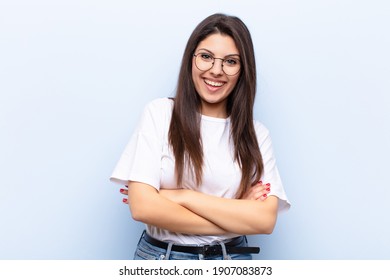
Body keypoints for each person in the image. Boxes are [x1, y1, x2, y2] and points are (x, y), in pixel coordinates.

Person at [110, 13, 290, 260]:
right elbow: (143, 207)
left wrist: (182, 196)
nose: (216, 71)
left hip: (232, 260)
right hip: (163, 259)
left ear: (243, 69)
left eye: (230, 61)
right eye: (206, 57)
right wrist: (238, 214)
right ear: (191, 60)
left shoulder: (257, 135)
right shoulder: (160, 113)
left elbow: (265, 221)